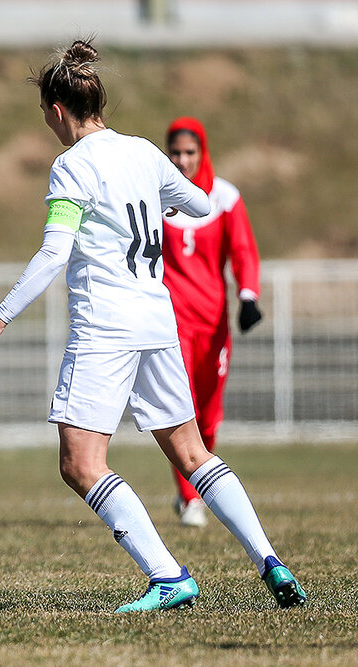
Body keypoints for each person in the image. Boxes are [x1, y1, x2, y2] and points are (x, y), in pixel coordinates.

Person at [0, 41, 305, 612]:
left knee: (80, 462)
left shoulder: (71, 166)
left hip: (107, 326)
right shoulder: (144, 152)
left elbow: (53, 255)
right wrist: (154, 202)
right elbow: (198, 204)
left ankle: (167, 576)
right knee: (193, 453)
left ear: (54, 111)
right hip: (157, 319)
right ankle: (269, 559)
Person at [162, 116, 263, 528]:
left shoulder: (224, 198)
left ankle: (196, 488)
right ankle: (190, 499)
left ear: (202, 153)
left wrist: (248, 296)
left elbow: (244, 251)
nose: (183, 161)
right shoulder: (153, 196)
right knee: (178, 406)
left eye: (190, 153)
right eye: (175, 153)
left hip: (213, 323)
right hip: (170, 322)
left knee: (207, 413)